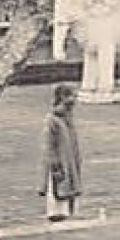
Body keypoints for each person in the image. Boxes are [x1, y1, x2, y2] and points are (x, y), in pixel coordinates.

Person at [41, 85, 83, 222]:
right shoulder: (52, 120)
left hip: (70, 162)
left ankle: (69, 211)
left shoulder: (68, 119)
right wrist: (55, 163)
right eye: (70, 97)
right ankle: (56, 213)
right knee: (58, 188)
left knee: (69, 186)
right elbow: (48, 145)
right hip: (58, 163)